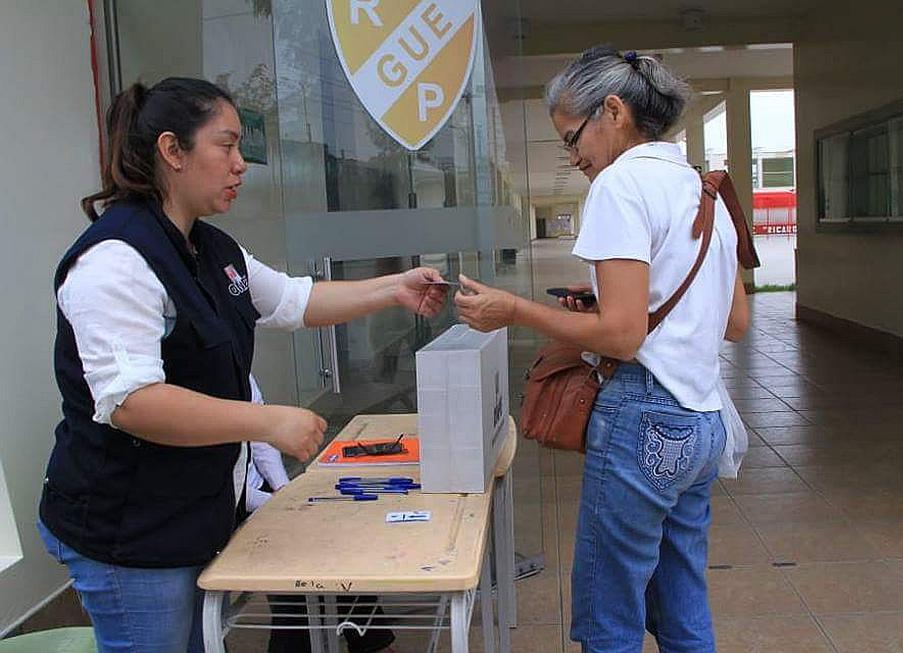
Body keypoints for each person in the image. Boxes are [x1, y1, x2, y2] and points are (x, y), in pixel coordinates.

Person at [37, 77, 446, 653]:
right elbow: (134, 403)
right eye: (226, 146)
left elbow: (295, 300)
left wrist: (394, 288)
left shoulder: (211, 249)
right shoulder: (115, 262)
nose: (240, 164)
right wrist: (267, 422)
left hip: (190, 514)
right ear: (173, 151)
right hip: (129, 532)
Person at [454, 47, 750, 653]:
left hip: (644, 419)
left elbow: (622, 336)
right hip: (703, 420)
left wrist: (513, 310)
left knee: (608, 608)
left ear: (613, 111)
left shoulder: (620, 184)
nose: (573, 157)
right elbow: (736, 322)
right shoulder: (706, 190)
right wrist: (623, 305)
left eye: (572, 138)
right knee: (682, 599)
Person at [241, 376, 397, 653]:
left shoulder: (239, 370)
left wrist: (284, 490)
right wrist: (277, 505)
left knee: (333, 540)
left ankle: (370, 642)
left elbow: (262, 439)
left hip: (257, 490)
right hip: (222, 507)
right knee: (292, 570)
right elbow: (223, 488)